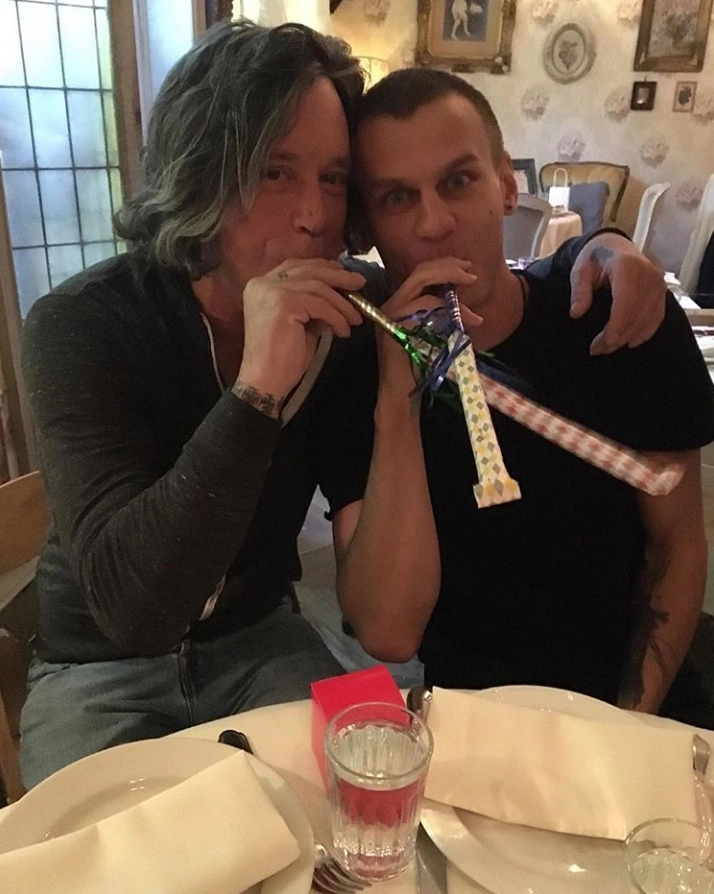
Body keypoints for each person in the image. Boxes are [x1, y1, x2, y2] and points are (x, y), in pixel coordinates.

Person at [19, 20, 669, 789]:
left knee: (381, 792)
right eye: (274, 171)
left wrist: (601, 247)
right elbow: (134, 610)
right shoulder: (80, 324)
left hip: (260, 639)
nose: (315, 215)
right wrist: (258, 388)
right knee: (113, 844)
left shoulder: (353, 313)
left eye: (332, 178)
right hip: (98, 668)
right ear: (202, 169)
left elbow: (483, 273)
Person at [326, 68, 714, 720]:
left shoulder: (617, 317)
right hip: (477, 722)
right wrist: (398, 399)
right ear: (367, 226)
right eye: (397, 198)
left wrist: (625, 722)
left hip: (639, 710)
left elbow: (676, 545)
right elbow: (388, 632)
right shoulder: (357, 371)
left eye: (458, 181)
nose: (434, 223)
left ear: (507, 185)